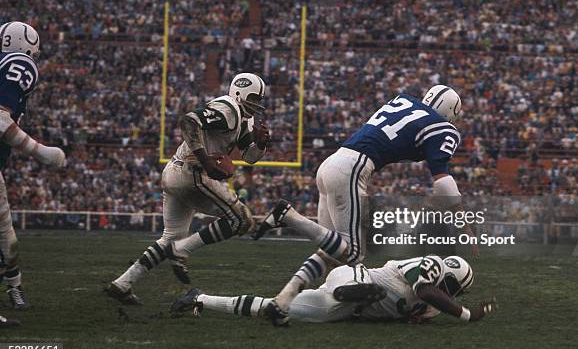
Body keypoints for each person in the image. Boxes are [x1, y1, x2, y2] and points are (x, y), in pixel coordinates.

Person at [254, 85, 476, 325]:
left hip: (332, 163)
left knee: (333, 253)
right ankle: (288, 216)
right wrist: (464, 225)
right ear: (451, 112)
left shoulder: (403, 101)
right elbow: (443, 184)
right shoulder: (444, 127)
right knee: (353, 253)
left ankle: (282, 302)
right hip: (353, 169)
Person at [106, 73, 270, 305]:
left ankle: (122, 284)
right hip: (191, 173)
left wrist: (261, 144)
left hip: (175, 171)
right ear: (240, 92)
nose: (257, 102)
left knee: (169, 238)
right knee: (241, 220)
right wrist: (206, 161)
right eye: (254, 96)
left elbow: (249, 156)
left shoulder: (242, 118)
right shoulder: (229, 108)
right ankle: (182, 250)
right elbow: (189, 121)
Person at [171, 255, 496, 325]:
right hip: (352, 275)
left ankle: (198, 297)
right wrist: (467, 315)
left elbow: (421, 310)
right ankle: (354, 291)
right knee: (363, 287)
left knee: (275, 308)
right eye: (453, 288)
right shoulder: (431, 265)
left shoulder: (432, 304)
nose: (451, 295)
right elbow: (426, 291)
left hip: (345, 308)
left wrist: (419, 318)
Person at [0, 21, 66, 310]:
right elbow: (1, 120)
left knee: (7, 236)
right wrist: (41, 152)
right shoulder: (20, 62)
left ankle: (14, 288)